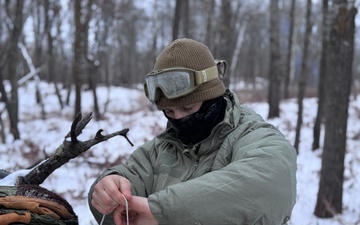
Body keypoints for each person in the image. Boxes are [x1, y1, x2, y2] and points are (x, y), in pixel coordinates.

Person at [88, 38, 297, 225]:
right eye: (169, 111)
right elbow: (129, 178)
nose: (178, 118)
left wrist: (162, 211)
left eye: (188, 108)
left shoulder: (254, 135)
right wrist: (107, 187)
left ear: (213, 96)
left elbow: (269, 183)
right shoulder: (159, 150)